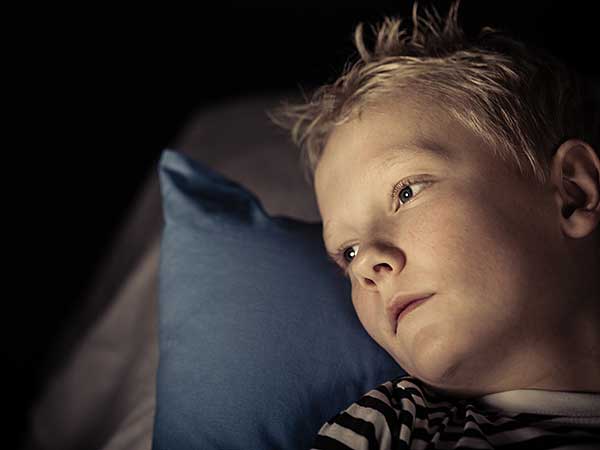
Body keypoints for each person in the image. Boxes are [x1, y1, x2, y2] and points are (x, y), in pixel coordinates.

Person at [267, 0, 600, 448]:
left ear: (572, 194)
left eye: (406, 192)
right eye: (347, 252)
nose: (366, 263)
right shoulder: (392, 429)